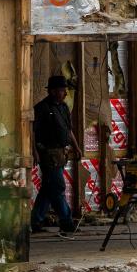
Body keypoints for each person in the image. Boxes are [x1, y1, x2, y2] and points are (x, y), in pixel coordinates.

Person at [31, 74, 80, 237]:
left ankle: (36, 220)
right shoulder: (42, 108)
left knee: (48, 188)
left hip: (60, 153)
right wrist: (35, 152)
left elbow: (69, 130)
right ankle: (67, 221)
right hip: (47, 154)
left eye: (65, 90)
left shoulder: (64, 107)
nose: (65, 93)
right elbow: (32, 132)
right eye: (61, 90)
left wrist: (76, 147)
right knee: (58, 187)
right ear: (52, 91)